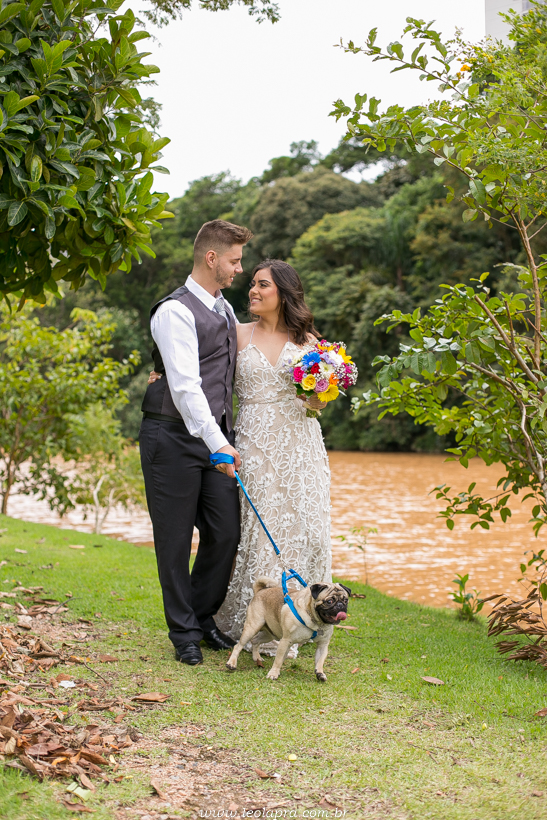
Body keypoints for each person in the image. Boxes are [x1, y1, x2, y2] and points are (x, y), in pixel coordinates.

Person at [139, 219, 253, 666]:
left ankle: (202, 617)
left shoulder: (224, 309)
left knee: (225, 531)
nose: (238, 269)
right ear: (211, 258)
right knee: (173, 539)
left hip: (213, 436)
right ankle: (183, 632)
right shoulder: (174, 311)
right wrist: (217, 442)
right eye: (234, 260)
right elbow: (186, 389)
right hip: (171, 435)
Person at [214, 259, 332, 649]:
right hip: (254, 445)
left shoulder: (310, 344)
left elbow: (318, 403)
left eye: (262, 285)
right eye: (251, 284)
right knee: (260, 533)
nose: (253, 291)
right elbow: (202, 367)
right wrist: (162, 373)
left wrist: (317, 397)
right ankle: (253, 623)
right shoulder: (236, 333)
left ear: (283, 292)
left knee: (307, 530)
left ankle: (300, 621)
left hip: (300, 446)